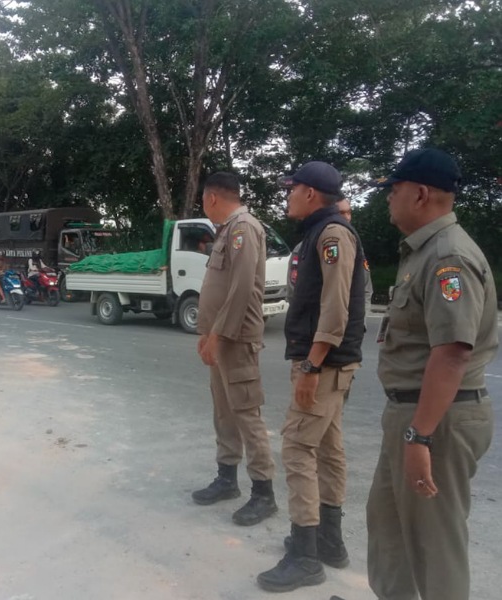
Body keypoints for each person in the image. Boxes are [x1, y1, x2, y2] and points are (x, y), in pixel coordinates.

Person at [364, 148, 498, 600]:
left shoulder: (448, 257)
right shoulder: (422, 253)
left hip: (437, 421)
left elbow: (452, 353)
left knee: (435, 547)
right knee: (390, 533)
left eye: (394, 189)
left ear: (420, 194)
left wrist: (419, 436)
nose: (388, 198)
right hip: (412, 415)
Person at [257, 162, 366, 593]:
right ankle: (329, 543)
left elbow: (336, 307)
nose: (287, 195)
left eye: (292, 188)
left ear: (310, 193)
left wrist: (311, 365)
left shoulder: (332, 234)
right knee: (328, 448)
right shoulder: (320, 232)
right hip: (332, 364)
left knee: (298, 448)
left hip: (324, 364)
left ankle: (305, 557)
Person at [192, 171, 278, 527]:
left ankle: (264, 493)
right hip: (220, 336)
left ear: (212, 197)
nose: (203, 204)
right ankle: (227, 478)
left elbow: (242, 289)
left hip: (236, 339)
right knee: (224, 411)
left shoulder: (243, 228)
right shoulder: (227, 230)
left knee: (246, 413)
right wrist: (207, 332)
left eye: (202, 199)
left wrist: (218, 335)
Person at [288, 199, 373, 319]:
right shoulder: (303, 248)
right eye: (341, 213)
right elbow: (294, 289)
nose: (347, 218)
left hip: (350, 322)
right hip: (315, 322)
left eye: (349, 212)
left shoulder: (356, 248)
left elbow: (366, 288)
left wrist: (361, 320)